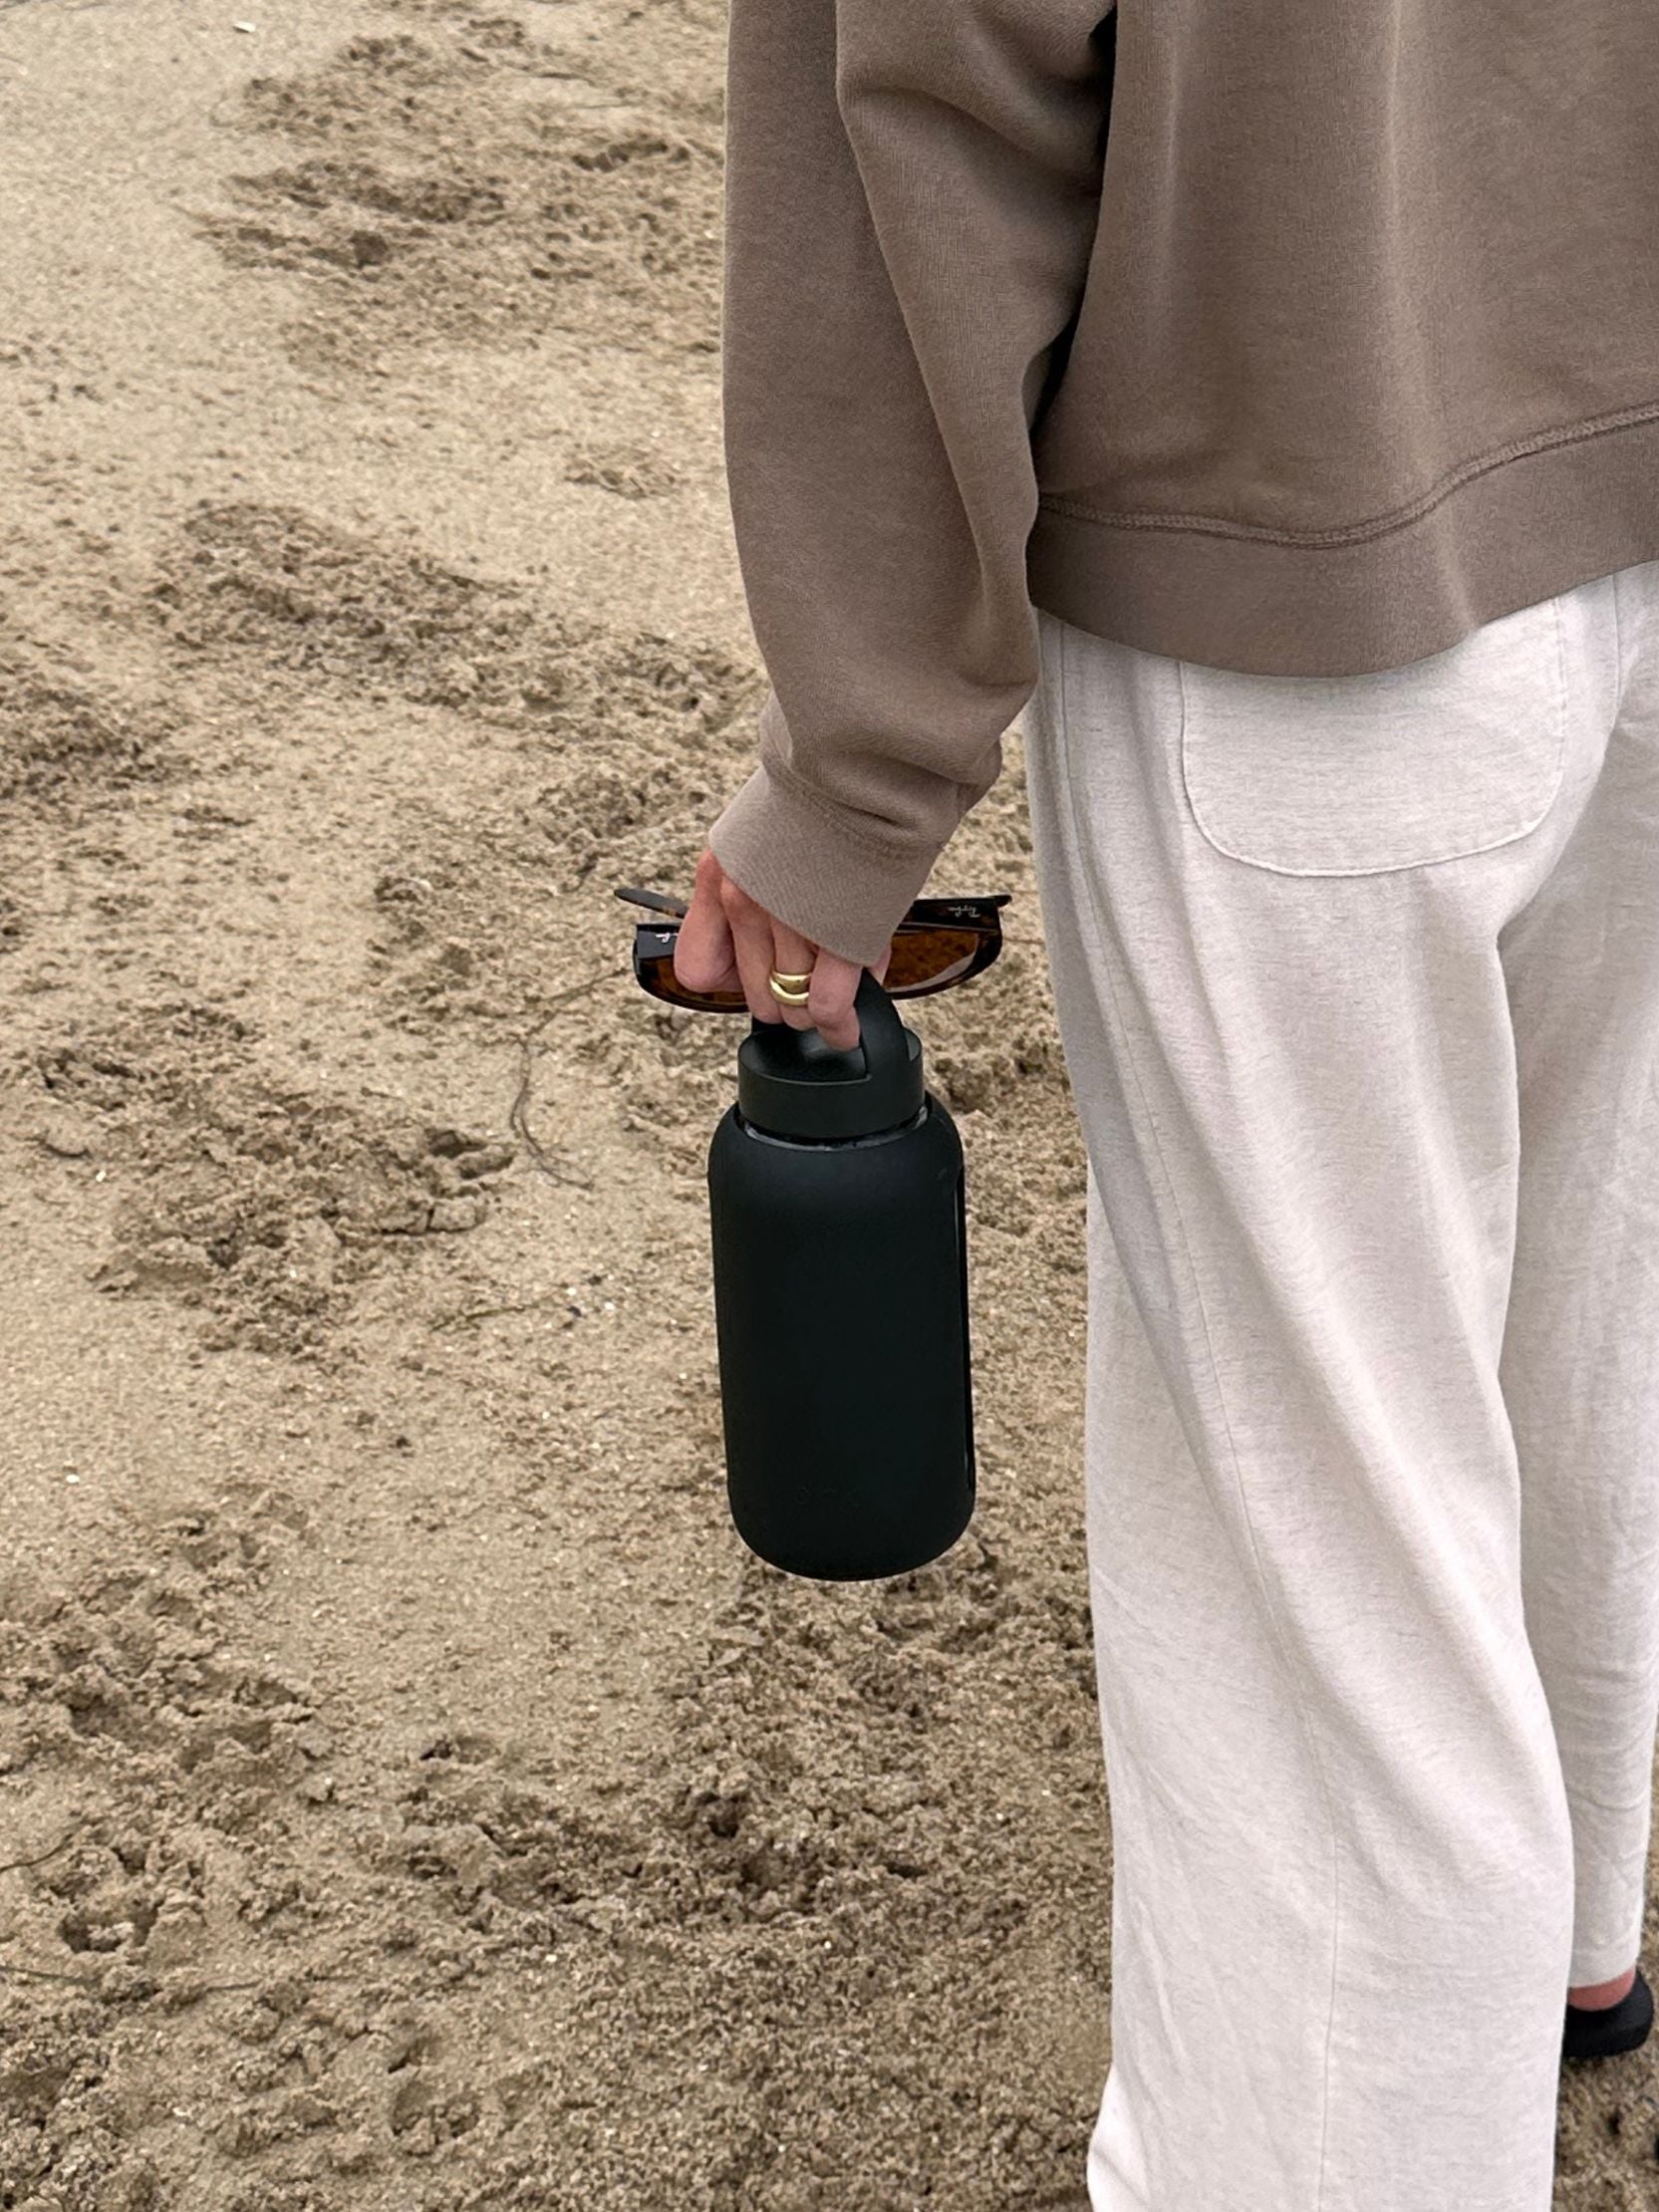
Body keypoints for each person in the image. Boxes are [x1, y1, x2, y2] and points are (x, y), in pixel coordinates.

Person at [671, 3, 1659, 2204]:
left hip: (1302, 518)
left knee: (1311, 1526)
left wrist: (856, 756)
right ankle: (1578, 1928)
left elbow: (928, 86)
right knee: (1582, 1264)